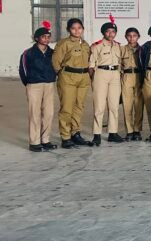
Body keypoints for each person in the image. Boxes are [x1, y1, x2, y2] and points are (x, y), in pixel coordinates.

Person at [52, 17, 92, 149]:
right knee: (67, 108)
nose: (77, 30)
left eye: (79, 28)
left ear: (83, 29)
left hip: (83, 78)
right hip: (68, 77)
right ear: (69, 30)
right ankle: (65, 137)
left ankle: (75, 133)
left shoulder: (85, 44)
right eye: (74, 28)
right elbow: (56, 62)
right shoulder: (64, 43)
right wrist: (62, 74)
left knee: (79, 107)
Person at [19, 20, 57, 151]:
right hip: (34, 85)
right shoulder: (28, 53)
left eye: (48, 37)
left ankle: (45, 140)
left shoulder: (52, 53)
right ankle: (34, 142)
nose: (46, 39)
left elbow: (57, 67)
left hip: (49, 85)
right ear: (36, 38)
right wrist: (29, 83)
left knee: (49, 113)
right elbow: (23, 70)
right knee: (34, 113)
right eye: (43, 37)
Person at [89, 15, 124, 146]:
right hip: (101, 74)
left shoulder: (118, 46)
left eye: (113, 32)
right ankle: (96, 134)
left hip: (115, 74)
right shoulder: (97, 46)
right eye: (108, 31)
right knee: (99, 106)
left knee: (114, 105)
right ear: (103, 32)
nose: (111, 34)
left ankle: (112, 133)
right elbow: (91, 65)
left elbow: (121, 62)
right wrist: (94, 79)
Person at [120, 27, 143, 141]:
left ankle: (137, 130)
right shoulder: (122, 49)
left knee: (138, 105)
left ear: (138, 36)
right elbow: (119, 65)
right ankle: (129, 131)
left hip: (139, 76)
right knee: (127, 105)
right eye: (129, 36)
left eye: (134, 35)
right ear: (126, 37)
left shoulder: (143, 49)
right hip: (127, 76)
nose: (132, 38)